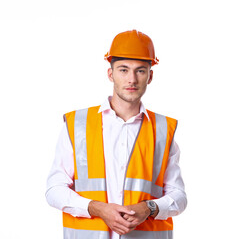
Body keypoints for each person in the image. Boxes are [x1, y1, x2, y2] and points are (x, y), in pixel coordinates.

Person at [45, 29, 187, 239]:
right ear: (110, 73)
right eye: (123, 70)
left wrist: (148, 208)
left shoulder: (163, 129)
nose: (132, 79)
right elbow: (54, 190)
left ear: (150, 76)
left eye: (140, 71)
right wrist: (96, 208)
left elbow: (179, 197)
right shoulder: (78, 124)